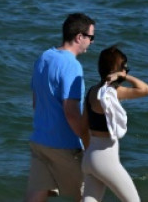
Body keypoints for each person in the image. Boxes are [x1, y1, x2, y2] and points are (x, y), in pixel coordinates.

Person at [25, 13, 97, 202]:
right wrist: (87, 142)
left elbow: (36, 102)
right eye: (91, 37)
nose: (91, 42)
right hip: (64, 146)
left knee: (35, 196)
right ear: (79, 37)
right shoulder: (72, 65)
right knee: (89, 194)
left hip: (40, 140)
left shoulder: (44, 58)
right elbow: (71, 112)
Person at [81, 45, 148, 202]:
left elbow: (83, 127)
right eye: (125, 67)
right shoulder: (113, 92)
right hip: (106, 159)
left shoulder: (92, 91)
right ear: (118, 70)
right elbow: (147, 89)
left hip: (90, 156)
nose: (126, 70)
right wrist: (124, 76)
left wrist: (88, 153)